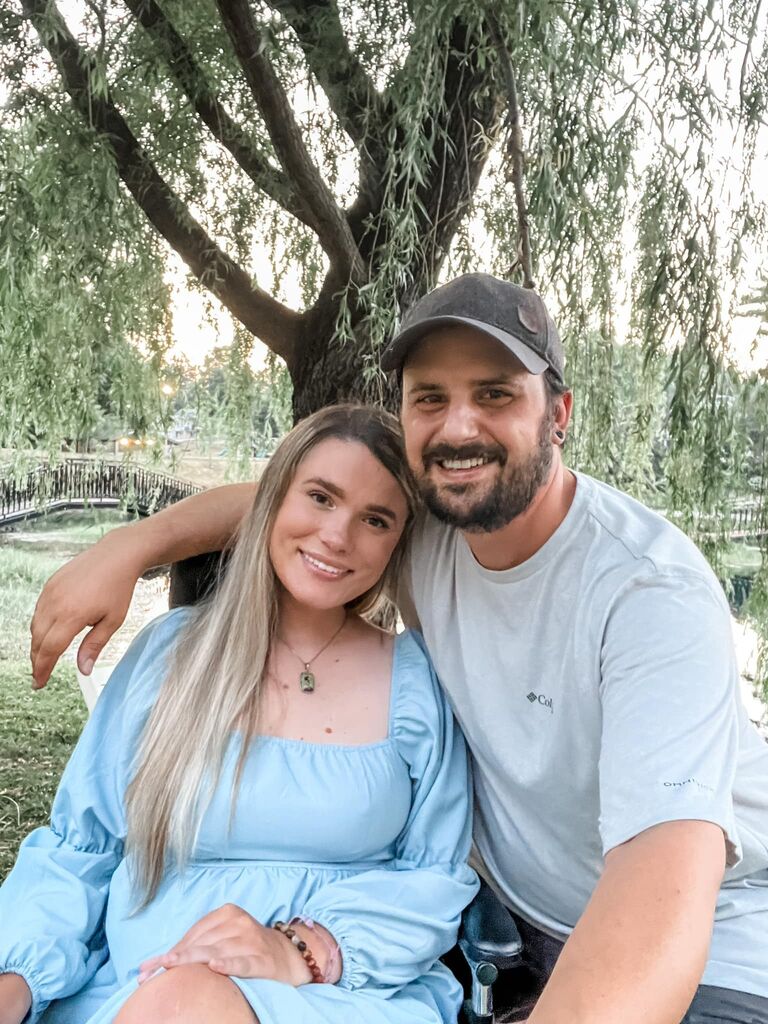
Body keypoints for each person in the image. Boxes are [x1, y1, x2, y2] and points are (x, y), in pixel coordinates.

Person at [28, 273, 768, 1024]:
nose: (457, 427)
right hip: (523, 934)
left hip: (705, 950)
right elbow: (294, 502)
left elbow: (657, 893)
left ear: (559, 415)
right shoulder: (433, 535)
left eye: (496, 394)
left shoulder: (647, 598)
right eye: (430, 398)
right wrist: (129, 547)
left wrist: (312, 949)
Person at [0, 405, 479, 1024]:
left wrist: (303, 948)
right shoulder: (172, 657)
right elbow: (79, 849)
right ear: (271, 501)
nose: (338, 536)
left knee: (190, 999)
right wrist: (17, 977)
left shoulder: (416, 683)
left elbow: (435, 876)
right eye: (320, 497)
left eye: (376, 519)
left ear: (399, 541)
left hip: (345, 993)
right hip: (138, 983)